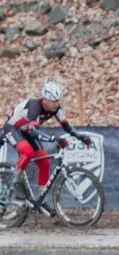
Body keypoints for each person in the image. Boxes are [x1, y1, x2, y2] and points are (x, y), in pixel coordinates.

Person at [2, 82, 92, 213]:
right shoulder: (34, 107)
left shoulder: (56, 109)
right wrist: (52, 138)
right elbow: (33, 131)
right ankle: (14, 185)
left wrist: (80, 136)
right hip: (13, 129)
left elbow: (66, 125)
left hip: (27, 131)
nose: (56, 104)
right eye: (53, 101)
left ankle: (41, 201)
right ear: (45, 99)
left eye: (57, 101)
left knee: (44, 163)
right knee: (27, 152)